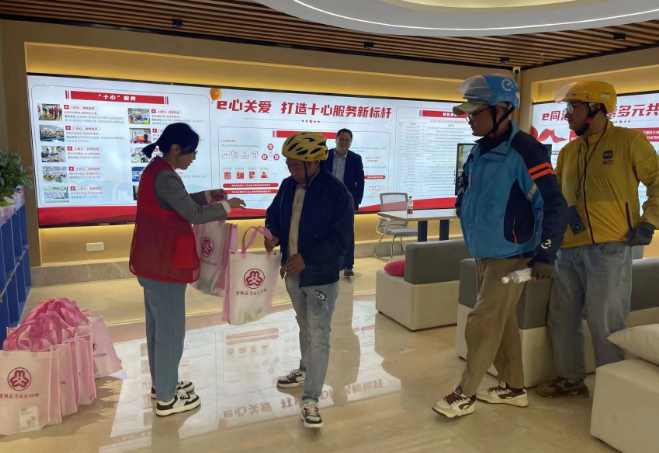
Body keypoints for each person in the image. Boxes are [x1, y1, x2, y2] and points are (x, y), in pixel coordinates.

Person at [432, 74, 568, 418]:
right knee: (502, 322)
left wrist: (546, 252)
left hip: (513, 257)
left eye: (475, 112)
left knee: (482, 322)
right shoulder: (481, 149)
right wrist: (462, 203)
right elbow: (470, 190)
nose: (469, 119)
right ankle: (514, 388)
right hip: (485, 252)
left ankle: (465, 393)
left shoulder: (525, 150)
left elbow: (553, 204)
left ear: (502, 110)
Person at [538, 81, 659, 399]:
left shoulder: (629, 141)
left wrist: (650, 221)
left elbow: (658, 180)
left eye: (573, 107)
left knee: (605, 322)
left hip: (610, 247)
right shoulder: (569, 151)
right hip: (568, 249)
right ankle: (570, 379)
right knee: (562, 317)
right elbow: (556, 198)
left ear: (596, 108)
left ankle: (612, 391)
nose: (566, 114)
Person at [129, 122, 245, 417]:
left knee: (158, 329)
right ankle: (167, 400)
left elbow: (178, 204)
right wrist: (228, 206)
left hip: (153, 262)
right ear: (176, 148)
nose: (193, 158)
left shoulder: (158, 171)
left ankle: (162, 385)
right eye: (192, 152)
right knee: (170, 333)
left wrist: (207, 195)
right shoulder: (166, 176)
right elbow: (192, 214)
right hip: (163, 264)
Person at [264, 131, 354, 429]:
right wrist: (273, 235)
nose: (290, 169)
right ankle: (304, 370)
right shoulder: (288, 186)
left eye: (296, 165)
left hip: (320, 276)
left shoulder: (337, 193)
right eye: (288, 164)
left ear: (315, 162)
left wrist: (308, 257)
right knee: (304, 324)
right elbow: (274, 215)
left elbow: (340, 240)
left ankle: (312, 398)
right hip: (293, 273)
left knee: (320, 334)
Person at [324, 128, 364, 277]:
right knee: (326, 231)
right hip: (327, 201)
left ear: (350, 143)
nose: (344, 142)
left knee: (348, 233)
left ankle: (348, 265)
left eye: (347, 140)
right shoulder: (326, 156)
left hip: (346, 202)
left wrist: (356, 203)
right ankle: (329, 261)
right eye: (341, 139)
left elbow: (360, 183)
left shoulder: (355, 158)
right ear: (336, 139)